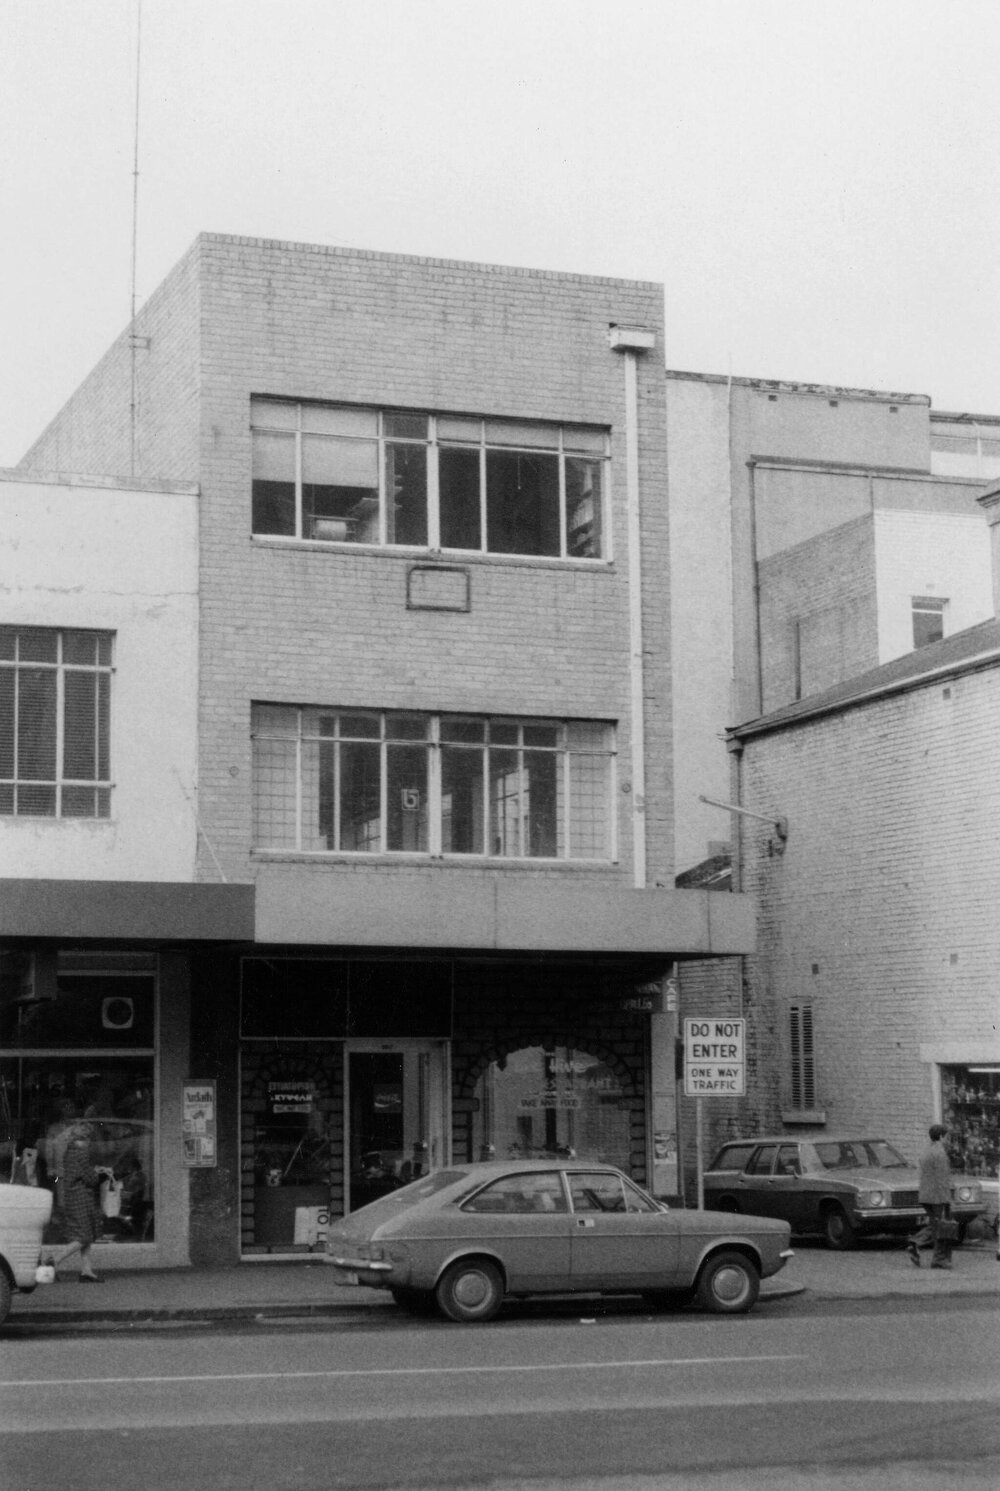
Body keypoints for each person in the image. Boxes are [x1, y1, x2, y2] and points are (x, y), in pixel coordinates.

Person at [44, 1118, 113, 1282]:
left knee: (85, 1233)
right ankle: (53, 1260)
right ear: (82, 1139)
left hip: (72, 1194)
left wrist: (94, 1170)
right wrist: (102, 1173)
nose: (89, 1142)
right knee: (83, 1237)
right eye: (87, 1138)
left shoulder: (70, 1151)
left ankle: (86, 1270)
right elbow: (90, 1179)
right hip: (81, 1196)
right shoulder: (81, 1153)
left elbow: (79, 1172)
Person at [908, 1123, 953, 1270]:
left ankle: (921, 1246)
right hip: (937, 1196)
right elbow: (942, 1178)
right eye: (946, 1137)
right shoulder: (940, 1153)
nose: (948, 1140)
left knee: (935, 1225)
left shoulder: (926, 1151)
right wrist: (947, 1199)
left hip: (926, 1194)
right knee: (941, 1227)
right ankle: (937, 1258)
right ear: (940, 1136)